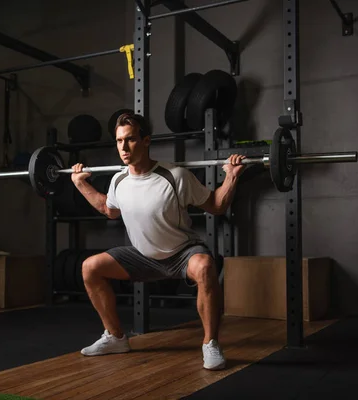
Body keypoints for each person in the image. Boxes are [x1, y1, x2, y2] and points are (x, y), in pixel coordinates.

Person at [70, 112, 246, 370]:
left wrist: (232, 176)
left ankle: (210, 343)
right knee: (90, 267)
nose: (124, 148)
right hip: (142, 256)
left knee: (205, 266)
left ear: (146, 141)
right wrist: (80, 184)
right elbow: (109, 210)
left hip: (181, 253)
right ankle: (116, 337)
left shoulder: (175, 176)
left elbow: (217, 206)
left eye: (130, 140)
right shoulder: (118, 180)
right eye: (119, 141)